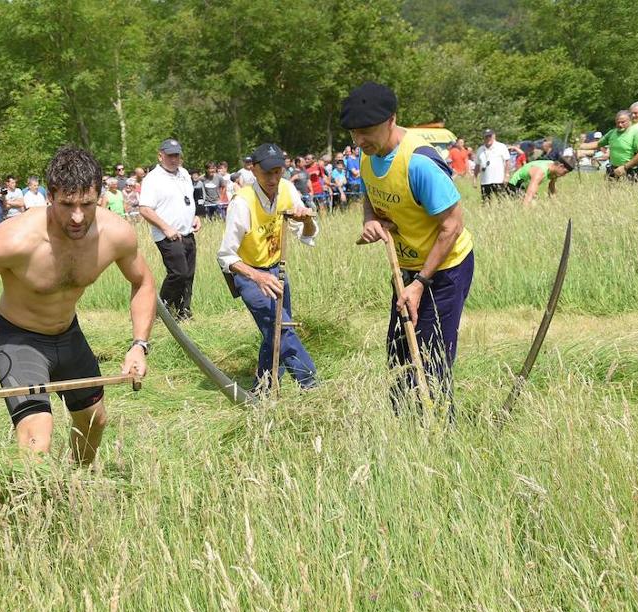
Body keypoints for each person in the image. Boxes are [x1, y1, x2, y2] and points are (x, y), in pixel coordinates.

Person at [0, 145, 155, 463]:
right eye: (66, 204)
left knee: (95, 421)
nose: (77, 216)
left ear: (99, 195)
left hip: (68, 336)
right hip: (19, 339)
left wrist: (139, 344)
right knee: (36, 440)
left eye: (87, 204)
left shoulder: (116, 235)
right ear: (50, 197)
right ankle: (31, 507)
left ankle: (76, 486)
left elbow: (143, 282)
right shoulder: (17, 239)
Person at [342, 81, 475, 414]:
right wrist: (370, 220)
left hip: (443, 272)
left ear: (391, 120)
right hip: (406, 271)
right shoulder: (367, 155)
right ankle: (406, 433)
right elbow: (370, 196)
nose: (359, 140)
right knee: (400, 357)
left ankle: (442, 434)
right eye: (354, 133)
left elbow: (452, 225)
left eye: (366, 132)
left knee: (431, 359)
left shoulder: (420, 164)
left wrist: (421, 284)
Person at [216, 143, 319, 390]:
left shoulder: (287, 189)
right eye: (267, 172)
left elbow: (307, 235)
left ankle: (262, 389)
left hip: (277, 271)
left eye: (278, 171)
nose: (273, 178)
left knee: (274, 331)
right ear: (253, 169)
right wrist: (257, 277)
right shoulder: (242, 202)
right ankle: (312, 385)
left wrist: (305, 220)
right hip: (249, 274)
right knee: (280, 329)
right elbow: (226, 257)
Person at [138, 138, 200, 320]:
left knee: (188, 275)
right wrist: (166, 228)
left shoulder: (184, 174)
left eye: (177, 155)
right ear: (160, 156)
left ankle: (184, 312)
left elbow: (187, 200)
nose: (174, 159)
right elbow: (145, 209)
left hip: (188, 232)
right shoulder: (153, 179)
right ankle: (161, 311)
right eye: (170, 155)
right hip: (168, 235)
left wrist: (195, 217)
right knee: (178, 273)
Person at [580, 110, 638, 182]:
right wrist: (580, 146)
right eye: (618, 122)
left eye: (623, 122)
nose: (620, 125)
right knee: (609, 192)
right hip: (613, 169)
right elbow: (598, 144)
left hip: (630, 170)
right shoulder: (612, 133)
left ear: (629, 121)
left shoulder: (635, 133)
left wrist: (625, 167)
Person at [509, 156, 574, 207]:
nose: (564, 175)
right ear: (561, 166)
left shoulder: (554, 168)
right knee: (532, 205)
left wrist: (555, 203)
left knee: (535, 205)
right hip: (514, 187)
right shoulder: (540, 172)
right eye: (565, 172)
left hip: (526, 186)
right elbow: (530, 194)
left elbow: (551, 186)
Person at [475, 129, 510, 201]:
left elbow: (507, 161)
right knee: (486, 202)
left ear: (494, 136)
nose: (488, 138)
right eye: (486, 137)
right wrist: (475, 178)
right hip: (485, 181)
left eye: (489, 136)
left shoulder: (501, 146)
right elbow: (477, 165)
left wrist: (506, 175)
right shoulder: (480, 149)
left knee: (501, 200)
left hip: (498, 180)